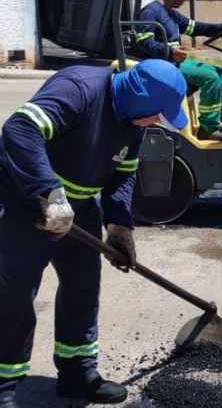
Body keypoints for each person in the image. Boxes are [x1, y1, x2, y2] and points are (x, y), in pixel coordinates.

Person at [0, 59, 188, 408]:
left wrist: (120, 226)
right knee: (14, 296)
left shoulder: (136, 123)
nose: (157, 122)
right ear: (140, 99)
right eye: (157, 114)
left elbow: (123, 175)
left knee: (82, 288)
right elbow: (20, 130)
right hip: (25, 201)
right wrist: (48, 193)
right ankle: (3, 386)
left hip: (80, 207)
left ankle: (77, 374)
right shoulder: (79, 89)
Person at [135, 0, 222, 140]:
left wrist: (220, 27)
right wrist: (170, 51)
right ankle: (207, 128)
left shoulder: (170, 13)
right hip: (160, 68)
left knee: (220, 73)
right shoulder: (150, 12)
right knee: (210, 77)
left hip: (174, 65)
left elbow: (194, 27)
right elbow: (143, 42)